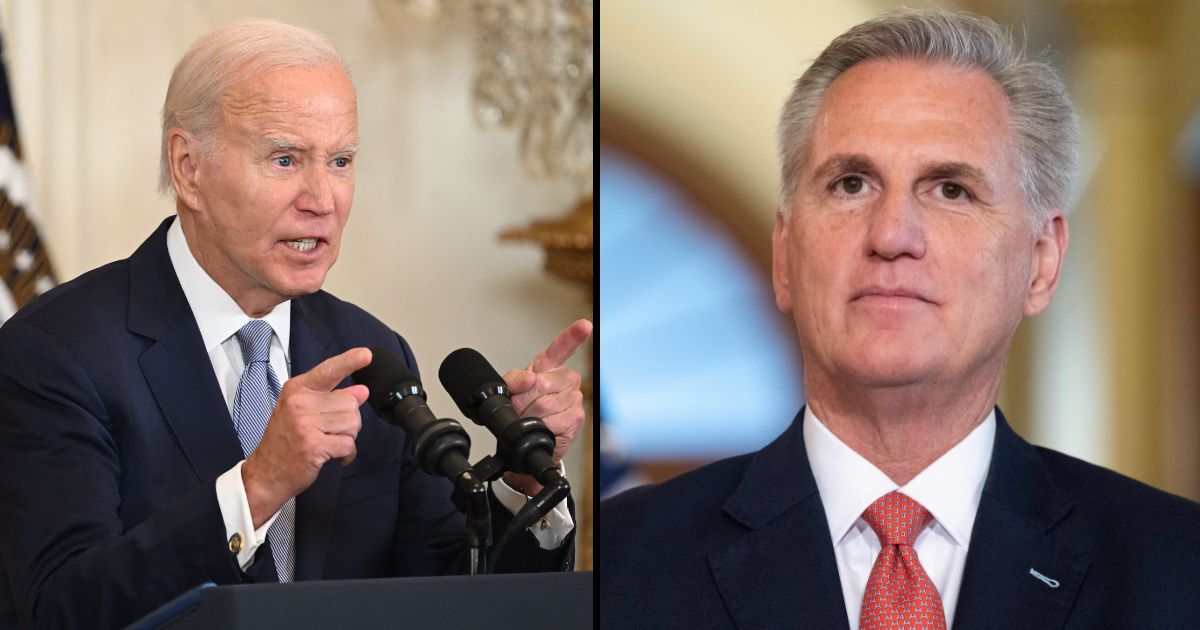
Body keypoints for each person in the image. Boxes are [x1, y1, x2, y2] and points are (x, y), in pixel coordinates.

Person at [599, 8, 1200, 629]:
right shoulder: (623, 564)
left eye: (951, 190)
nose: (891, 235)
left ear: (1041, 264)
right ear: (784, 256)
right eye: (851, 184)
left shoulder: (1179, 569)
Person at [0, 18, 591, 629]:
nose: (323, 197)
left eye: (339, 161)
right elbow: (59, 608)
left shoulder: (371, 353)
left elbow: (444, 593)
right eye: (285, 160)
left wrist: (524, 486)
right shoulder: (54, 353)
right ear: (188, 168)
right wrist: (256, 487)